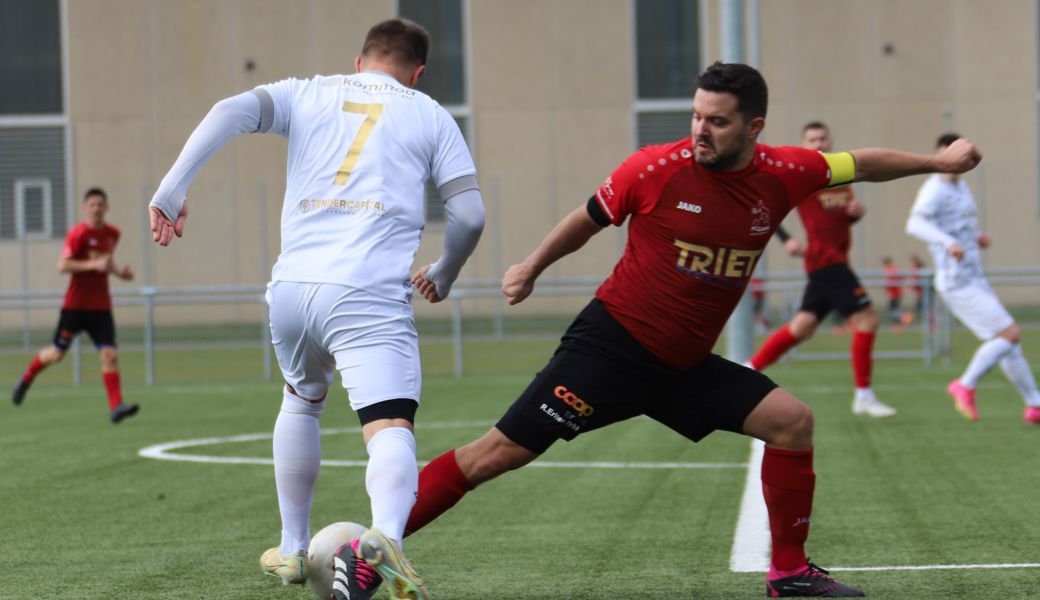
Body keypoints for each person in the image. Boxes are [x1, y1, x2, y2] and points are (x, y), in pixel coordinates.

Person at [402, 62, 981, 598]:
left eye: (718, 121)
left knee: (792, 423)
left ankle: (789, 573)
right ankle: (371, 545)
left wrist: (937, 163)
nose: (701, 130)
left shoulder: (787, 171)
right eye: (697, 116)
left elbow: (862, 163)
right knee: (493, 456)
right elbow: (587, 219)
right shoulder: (653, 167)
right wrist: (531, 267)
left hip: (684, 368)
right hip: (610, 351)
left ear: (754, 127)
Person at [149, 18, 485, 600]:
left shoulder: (309, 90)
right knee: (389, 426)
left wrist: (172, 190)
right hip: (366, 293)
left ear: (360, 62)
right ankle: (384, 537)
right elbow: (471, 215)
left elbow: (230, 109)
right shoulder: (429, 114)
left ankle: (293, 548)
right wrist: (445, 272)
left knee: (302, 401)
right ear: (418, 73)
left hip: (292, 290)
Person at [746, 122, 896, 418]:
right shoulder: (802, 177)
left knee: (802, 328)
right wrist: (787, 240)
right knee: (867, 321)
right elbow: (762, 205)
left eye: (822, 138)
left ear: (831, 140)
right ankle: (863, 396)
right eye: (812, 139)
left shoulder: (840, 176)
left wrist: (855, 214)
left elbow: (836, 218)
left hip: (833, 261)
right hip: (827, 262)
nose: (819, 143)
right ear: (804, 144)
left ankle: (746, 371)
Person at [906, 133, 1040, 424]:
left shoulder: (961, 186)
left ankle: (1035, 405)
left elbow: (956, 225)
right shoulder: (934, 189)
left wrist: (973, 239)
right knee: (1009, 334)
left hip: (973, 276)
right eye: (947, 156)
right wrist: (947, 242)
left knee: (1006, 342)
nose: (953, 162)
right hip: (956, 281)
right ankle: (964, 385)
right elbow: (915, 223)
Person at [11, 187, 139, 424]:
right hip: (75, 307)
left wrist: (121, 273)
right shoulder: (78, 234)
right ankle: (26, 379)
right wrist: (93, 266)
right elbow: (63, 265)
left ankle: (116, 407)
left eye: (100, 204)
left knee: (109, 355)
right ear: (85, 208)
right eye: (92, 205)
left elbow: (106, 263)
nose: (96, 209)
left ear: (107, 207)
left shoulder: (113, 234)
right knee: (56, 354)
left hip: (101, 308)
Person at [881, 256, 905, 328]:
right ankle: (898, 322)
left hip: (895, 292)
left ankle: (902, 320)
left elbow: (896, 278)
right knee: (893, 308)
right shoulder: (889, 269)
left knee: (893, 308)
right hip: (893, 292)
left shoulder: (891, 269)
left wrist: (887, 286)